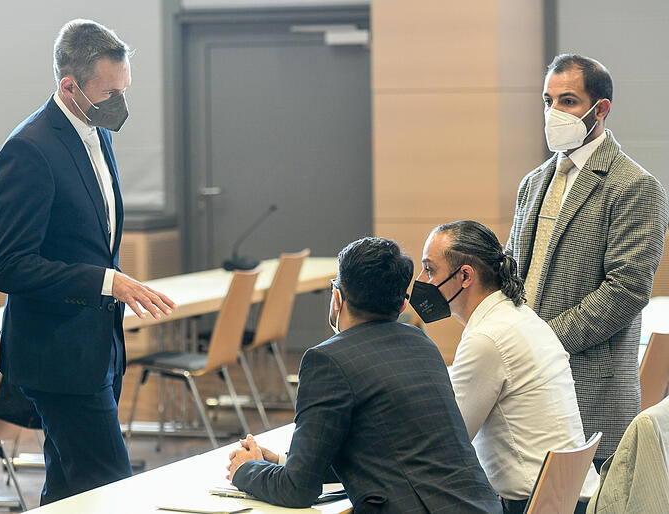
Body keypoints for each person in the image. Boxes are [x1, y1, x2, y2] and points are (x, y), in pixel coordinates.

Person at [0, 19, 175, 504]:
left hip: (97, 348)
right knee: (109, 488)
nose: (120, 103)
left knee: (71, 492)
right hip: (57, 356)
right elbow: (8, 266)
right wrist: (106, 282)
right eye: (109, 92)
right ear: (69, 86)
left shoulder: (97, 131)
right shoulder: (28, 150)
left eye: (124, 89)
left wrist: (106, 286)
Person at [227, 237, 501, 513]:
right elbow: (387, 455)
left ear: (337, 298)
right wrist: (287, 461)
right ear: (402, 306)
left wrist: (246, 470)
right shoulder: (421, 344)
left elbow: (298, 490)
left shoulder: (327, 359)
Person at [506, 53, 669, 469]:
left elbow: (627, 290)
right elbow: (511, 270)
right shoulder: (533, 181)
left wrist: (541, 342)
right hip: (525, 381)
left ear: (601, 109)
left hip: (591, 387)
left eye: (568, 101)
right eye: (548, 101)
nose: (553, 112)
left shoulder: (635, 185)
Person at [411, 221, 599, 514]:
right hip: (570, 499)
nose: (421, 279)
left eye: (430, 270)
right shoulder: (521, 317)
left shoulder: (487, 338)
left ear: (464, 276)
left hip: (530, 506)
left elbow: (447, 444)